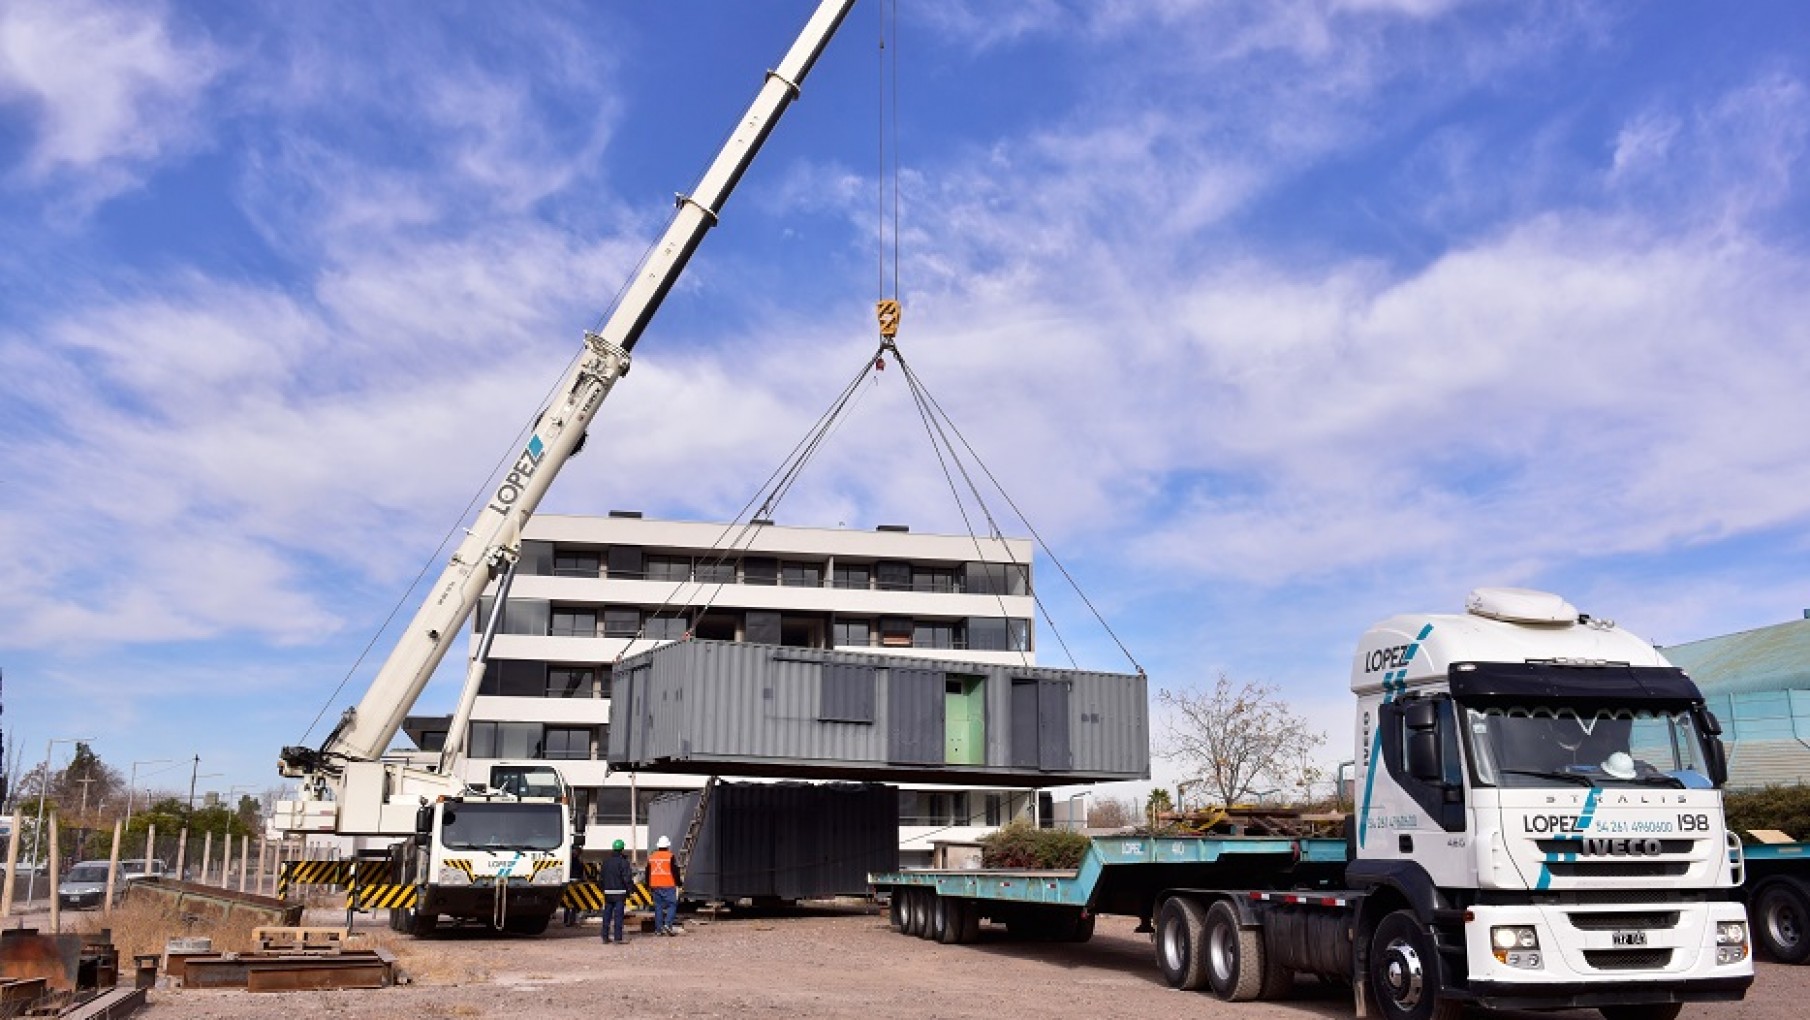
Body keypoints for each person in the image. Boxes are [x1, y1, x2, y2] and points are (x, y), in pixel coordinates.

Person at [599, 839, 635, 944]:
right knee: (618, 916)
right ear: (622, 849)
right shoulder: (623, 862)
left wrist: (603, 889)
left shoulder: (606, 862)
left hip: (608, 893)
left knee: (607, 915)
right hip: (620, 893)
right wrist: (630, 889)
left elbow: (601, 878)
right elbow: (626, 878)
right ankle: (617, 938)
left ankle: (605, 936)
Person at [646, 835, 682, 936]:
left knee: (658, 907)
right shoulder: (670, 856)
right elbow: (675, 871)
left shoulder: (652, 857)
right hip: (668, 884)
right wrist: (679, 883)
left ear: (658, 846)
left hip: (655, 885)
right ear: (667, 846)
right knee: (672, 905)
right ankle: (668, 924)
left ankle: (658, 929)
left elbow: (647, 872)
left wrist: (648, 885)